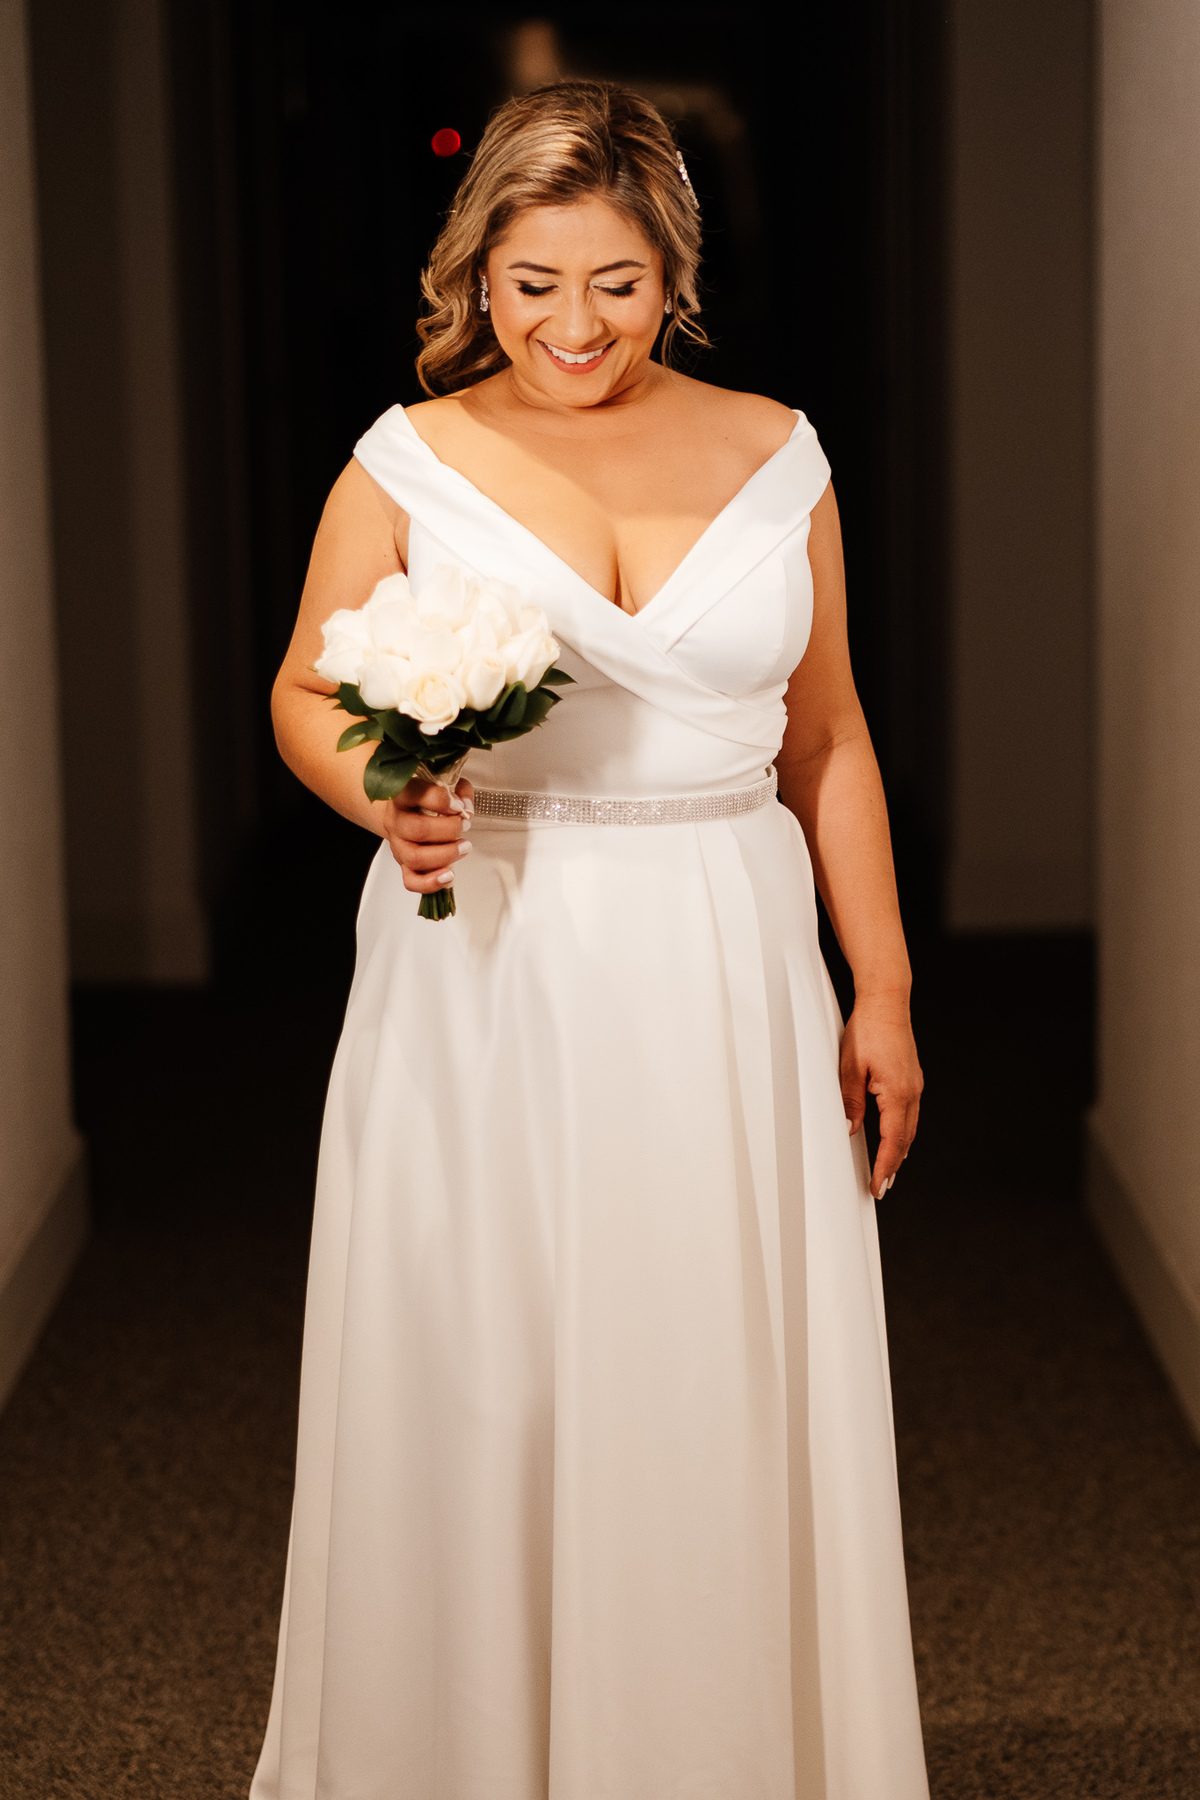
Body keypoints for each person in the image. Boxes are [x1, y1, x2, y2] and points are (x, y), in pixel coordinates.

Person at [252, 78, 929, 1800]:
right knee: (494, 1371)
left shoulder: (778, 452)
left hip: (725, 961)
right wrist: (379, 791)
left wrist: (884, 988)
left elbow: (829, 736)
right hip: (495, 953)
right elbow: (307, 691)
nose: (574, 324)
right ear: (478, 272)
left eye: (617, 283)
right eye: (534, 282)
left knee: (709, 1368)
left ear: (673, 273)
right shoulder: (406, 460)